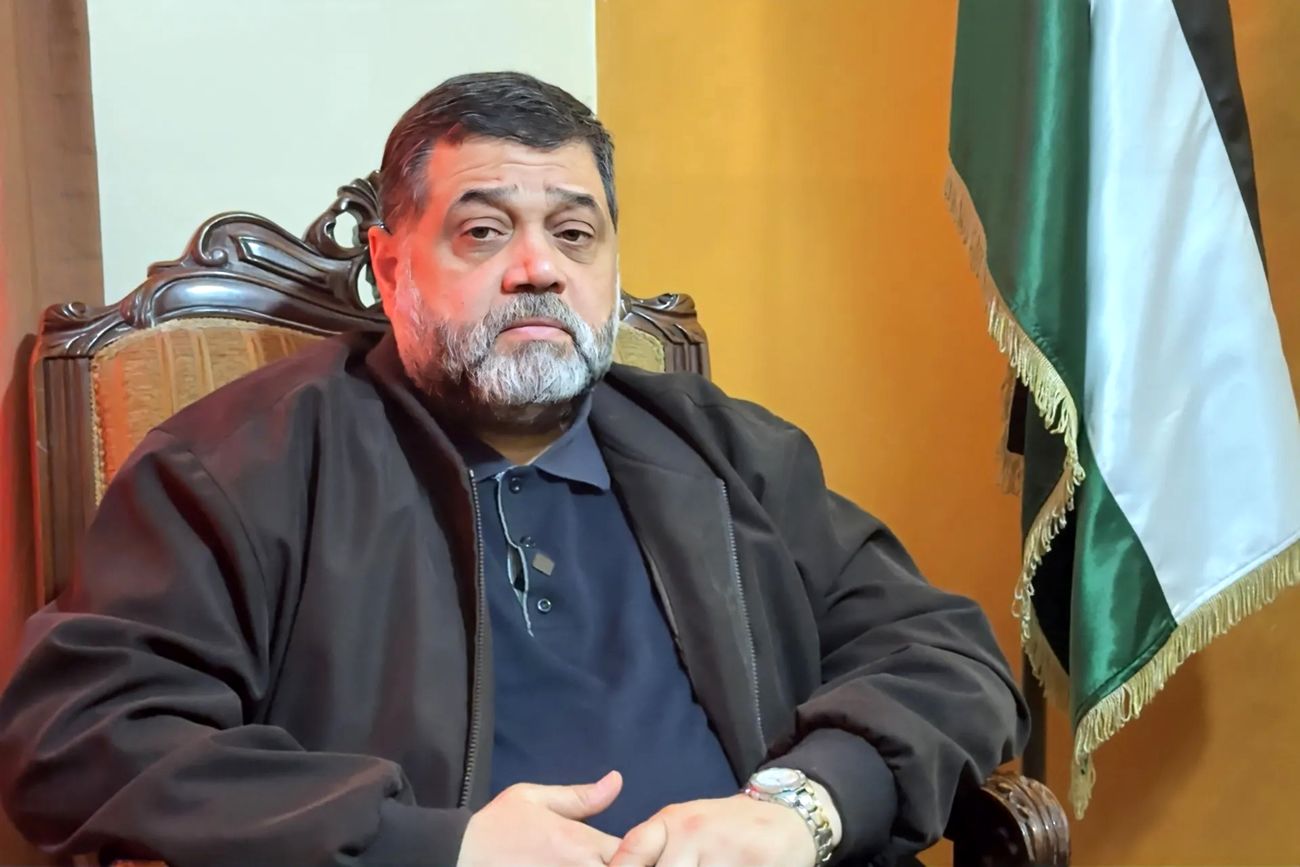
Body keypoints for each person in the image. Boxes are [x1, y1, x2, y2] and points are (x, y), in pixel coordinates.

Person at [0, 72, 1028, 867]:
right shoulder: (236, 465)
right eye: (483, 230)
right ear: (390, 266)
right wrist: (437, 846)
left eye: (574, 233)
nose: (539, 267)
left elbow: (947, 658)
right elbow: (76, 735)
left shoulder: (731, 453)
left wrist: (801, 809)